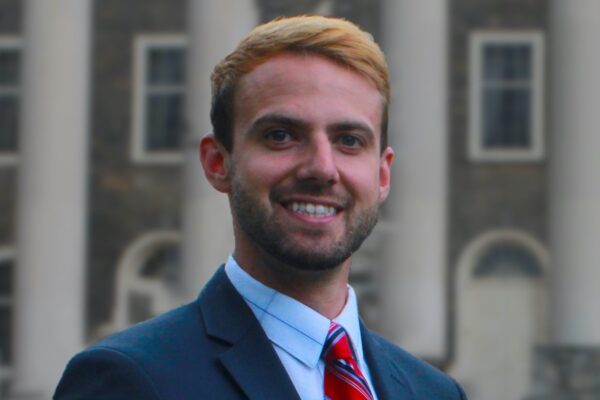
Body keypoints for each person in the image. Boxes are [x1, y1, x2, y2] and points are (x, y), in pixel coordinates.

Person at [55, 15, 467, 400]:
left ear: (382, 175)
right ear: (218, 163)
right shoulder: (127, 380)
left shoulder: (434, 391)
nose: (322, 168)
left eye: (349, 141)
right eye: (281, 135)